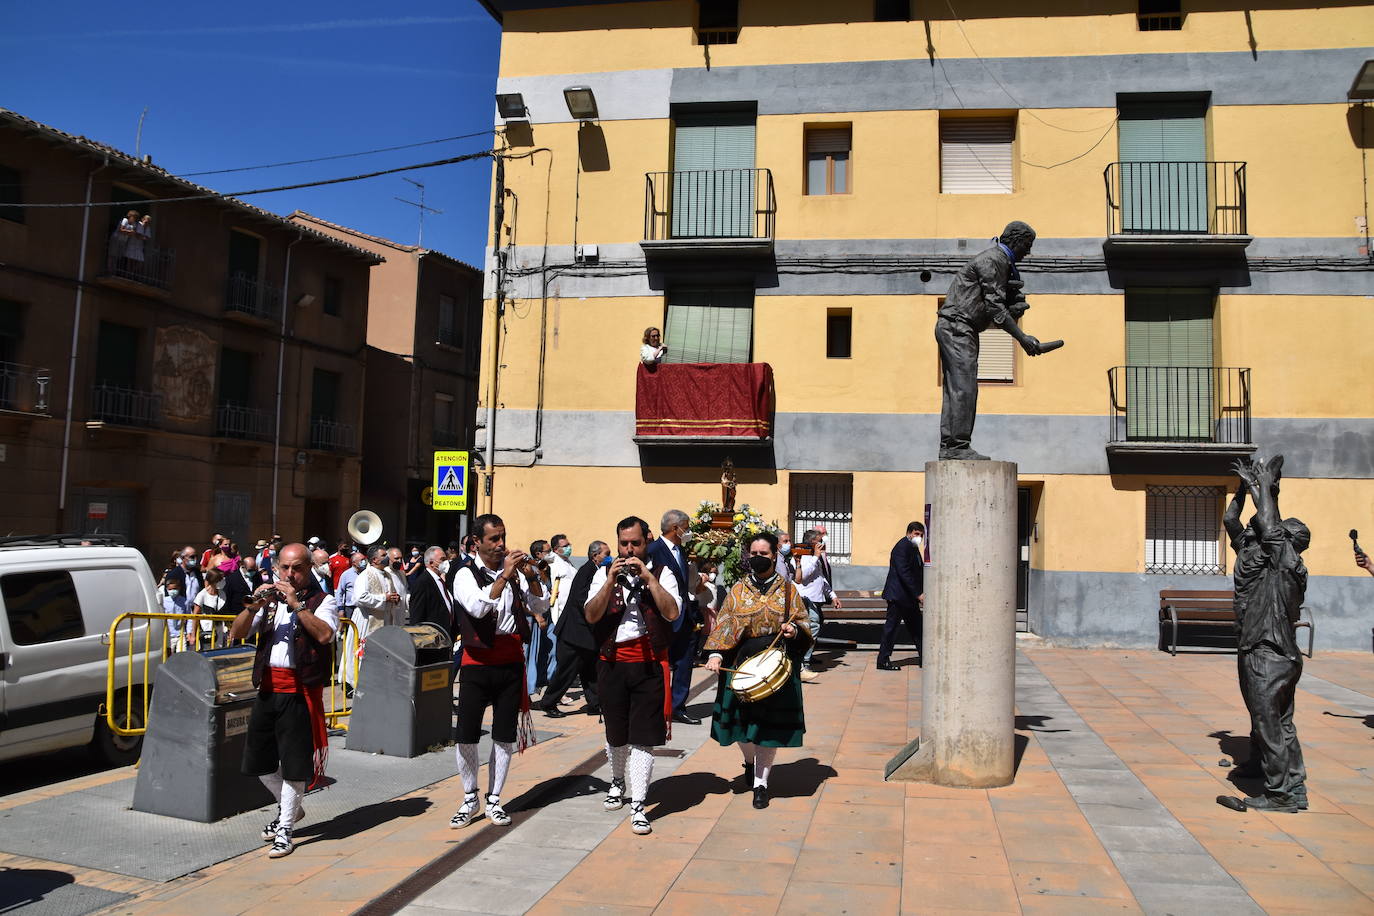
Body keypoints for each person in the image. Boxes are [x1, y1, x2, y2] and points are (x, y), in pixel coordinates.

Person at [228, 543, 339, 859]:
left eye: (297, 568)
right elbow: (236, 633)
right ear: (277, 567)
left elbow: (324, 635)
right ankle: (291, 811)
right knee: (259, 762)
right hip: (267, 688)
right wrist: (253, 606)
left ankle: (286, 828)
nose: (290, 574)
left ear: (308, 569)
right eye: (285, 568)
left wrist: (295, 604)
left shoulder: (323, 600)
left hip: (298, 691)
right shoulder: (269, 602)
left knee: (294, 765)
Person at [584, 517, 681, 836]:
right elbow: (591, 615)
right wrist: (611, 581)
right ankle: (616, 780)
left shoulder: (664, 572)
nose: (629, 550)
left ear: (646, 541)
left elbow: (672, 613)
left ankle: (638, 804)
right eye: (624, 543)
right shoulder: (602, 573)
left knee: (643, 737)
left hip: (648, 664)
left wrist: (650, 579)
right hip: (611, 663)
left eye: (635, 544)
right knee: (616, 731)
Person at [1224, 456, 1310, 813]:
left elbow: (1270, 524)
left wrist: (1265, 488)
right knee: (1279, 723)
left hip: (1269, 652)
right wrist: (1246, 489)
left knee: (1269, 722)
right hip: (1258, 649)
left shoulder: (1288, 565)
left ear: (1289, 542)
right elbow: (1233, 520)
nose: (1263, 530)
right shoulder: (1255, 554)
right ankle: (1293, 786)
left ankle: (1281, 795)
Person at [450, 514, 547, 829]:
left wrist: (530, 576)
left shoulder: (514, 573)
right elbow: (477, 608)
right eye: (494, 539)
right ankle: (469, 796)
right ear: (476, 541)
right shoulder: (464, 573)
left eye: (503, 537)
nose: (501, 544)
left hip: (509, 661)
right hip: (477, 663)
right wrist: (504, 576)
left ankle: (494, 799)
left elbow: (541, 606)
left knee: (504, 736)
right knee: (466, 735)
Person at [704, 530, 812, 809]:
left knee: (767, 730)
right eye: (754, 554)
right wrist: (716, 654)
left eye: (764, 554)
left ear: (775, 555)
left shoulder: (789, 591)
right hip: (742, 666)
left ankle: (761, 784)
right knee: (742, 729)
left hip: (777, 668)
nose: (758, 558)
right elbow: (725, 624)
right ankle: (749, 761)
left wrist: (793, 631)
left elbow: (805, 626)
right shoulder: (738, 590)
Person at [936, 221, 1049, 460]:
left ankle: (952, 446)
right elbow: (995, 309)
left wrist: (1013, 310)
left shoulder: (1001, 263)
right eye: (1027, 246)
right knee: (964, 387)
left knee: (958, 387)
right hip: (957, 327)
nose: (1028, 253)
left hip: (961, 327)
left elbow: (988, 311)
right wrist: (1023, 338)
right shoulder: (993, 260)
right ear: (1016, 241)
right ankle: (956, 448)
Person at [538, 540, 608, 717]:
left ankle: (595, 703)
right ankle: (549, 702)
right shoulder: (589, 571)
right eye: (606, 554)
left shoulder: (594, 570)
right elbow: (581, 599)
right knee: (567, 671)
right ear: (595, 556)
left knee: (590, 670)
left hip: (583, 633)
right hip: (574, 632)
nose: (609, 557)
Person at [647, 509, 700, 726]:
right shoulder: (654, 550)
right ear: (674, 527)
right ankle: (656, 706)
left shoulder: (681, 550)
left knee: (684, 662)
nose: (687, 532)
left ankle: (678, 705)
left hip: (684, 615)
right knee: (660, 664)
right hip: (662, 618)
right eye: (685, 527)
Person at [878, 522, 925, 671]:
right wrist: (918, 594)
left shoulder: (912, 547)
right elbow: (904, 573)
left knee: (918, 629)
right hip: (898, 596)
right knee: (891, 629)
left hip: (908, 598)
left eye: (921, 535)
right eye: (917, 534)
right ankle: (883, 660)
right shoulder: (902, 547)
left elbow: (918, 571)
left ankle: (925, 657)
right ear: (909, 533)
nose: (919, 537)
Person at [794, 530, 840, 682]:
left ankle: (805, 659)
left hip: (815, 600)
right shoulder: (804, 557)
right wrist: (815, 557)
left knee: (813, 627)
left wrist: (832, 596)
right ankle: (803, 662)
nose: (823, 543)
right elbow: (804, 576)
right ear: (813, 543)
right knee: (812, 627)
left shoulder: (815, 558)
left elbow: (821, 579)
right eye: (820, 540)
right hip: (805, 599)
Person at [525, 539, 554, 697]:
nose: (551, 554)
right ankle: (527, 691)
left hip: (544, 613)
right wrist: (536, 615)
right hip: (532, 618)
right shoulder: (528, 570)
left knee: (542, 652)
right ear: (538, 554)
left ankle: (537, 684)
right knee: (529, 654)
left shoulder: (544, 569)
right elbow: (525, 598)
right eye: (547, 551)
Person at [336, 550, 368, 692]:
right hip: (351, 609)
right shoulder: (346, 575)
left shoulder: (368, 574)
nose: (364, 562)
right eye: (361, 560)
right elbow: (340, 592)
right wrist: (340, 609)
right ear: (354, 562)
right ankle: (348, 680)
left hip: (365, 611)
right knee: (351, 643)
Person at [409, 546, 456, 641]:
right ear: (431, 563)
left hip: (446, 637)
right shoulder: (422, 583)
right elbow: (417, 616)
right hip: (431, 640)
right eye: (442, 560)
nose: (445, 562)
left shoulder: (440, 580)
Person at [192, 569, 228, 649]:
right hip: (206, 632)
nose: (223, 581)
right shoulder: (202, 595)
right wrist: (193, 635)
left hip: (220, 631)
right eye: (220, 579)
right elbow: (195, 616)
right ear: (214, 581)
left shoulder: (222, 594)